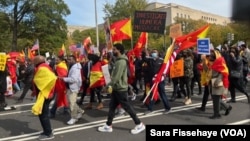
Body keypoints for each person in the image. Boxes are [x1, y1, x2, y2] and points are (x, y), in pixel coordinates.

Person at [98, 43, 145, 134]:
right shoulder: (118, 60)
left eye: (114, 49)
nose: (113, 51)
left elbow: (116, 77)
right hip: (117, 88)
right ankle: (108, 125)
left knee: (127, 107)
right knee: (112, 107)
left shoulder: (121, 62)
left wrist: (107, 86)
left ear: (119, 50)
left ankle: (139, 124)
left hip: (120, 89)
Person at [31, 55, 56, 140]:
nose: (33, 62)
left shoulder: (42, 68)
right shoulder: (44, 67)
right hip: (45, 94)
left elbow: (51, 79)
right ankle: (47, 130)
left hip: (45, 95)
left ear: (38, 61)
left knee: (43, 114)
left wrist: (49, 92)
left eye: (34, 60)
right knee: (43, 113)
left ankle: (48, 133)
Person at [60, 55, 84, 125]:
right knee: (71, 102)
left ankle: (74, 118)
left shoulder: (75, 68)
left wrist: (63, 79)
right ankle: (80, 111)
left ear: (74, 60)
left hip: (74, 87)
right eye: (68, 59)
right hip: (70, 87)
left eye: (70, 59)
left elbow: (73, 79)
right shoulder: (72, 66)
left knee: (72, 103)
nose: (68, 61)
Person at [209, 50, 232, 119]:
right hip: (212, 81)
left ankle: (217, 114)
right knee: (216, 99)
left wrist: (217, 81)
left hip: (217, 83)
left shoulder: (220, 61)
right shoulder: (213, 62)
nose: (211, 55)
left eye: (212, 53)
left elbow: (223, 73)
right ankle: (227, 107)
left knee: (216, 99)